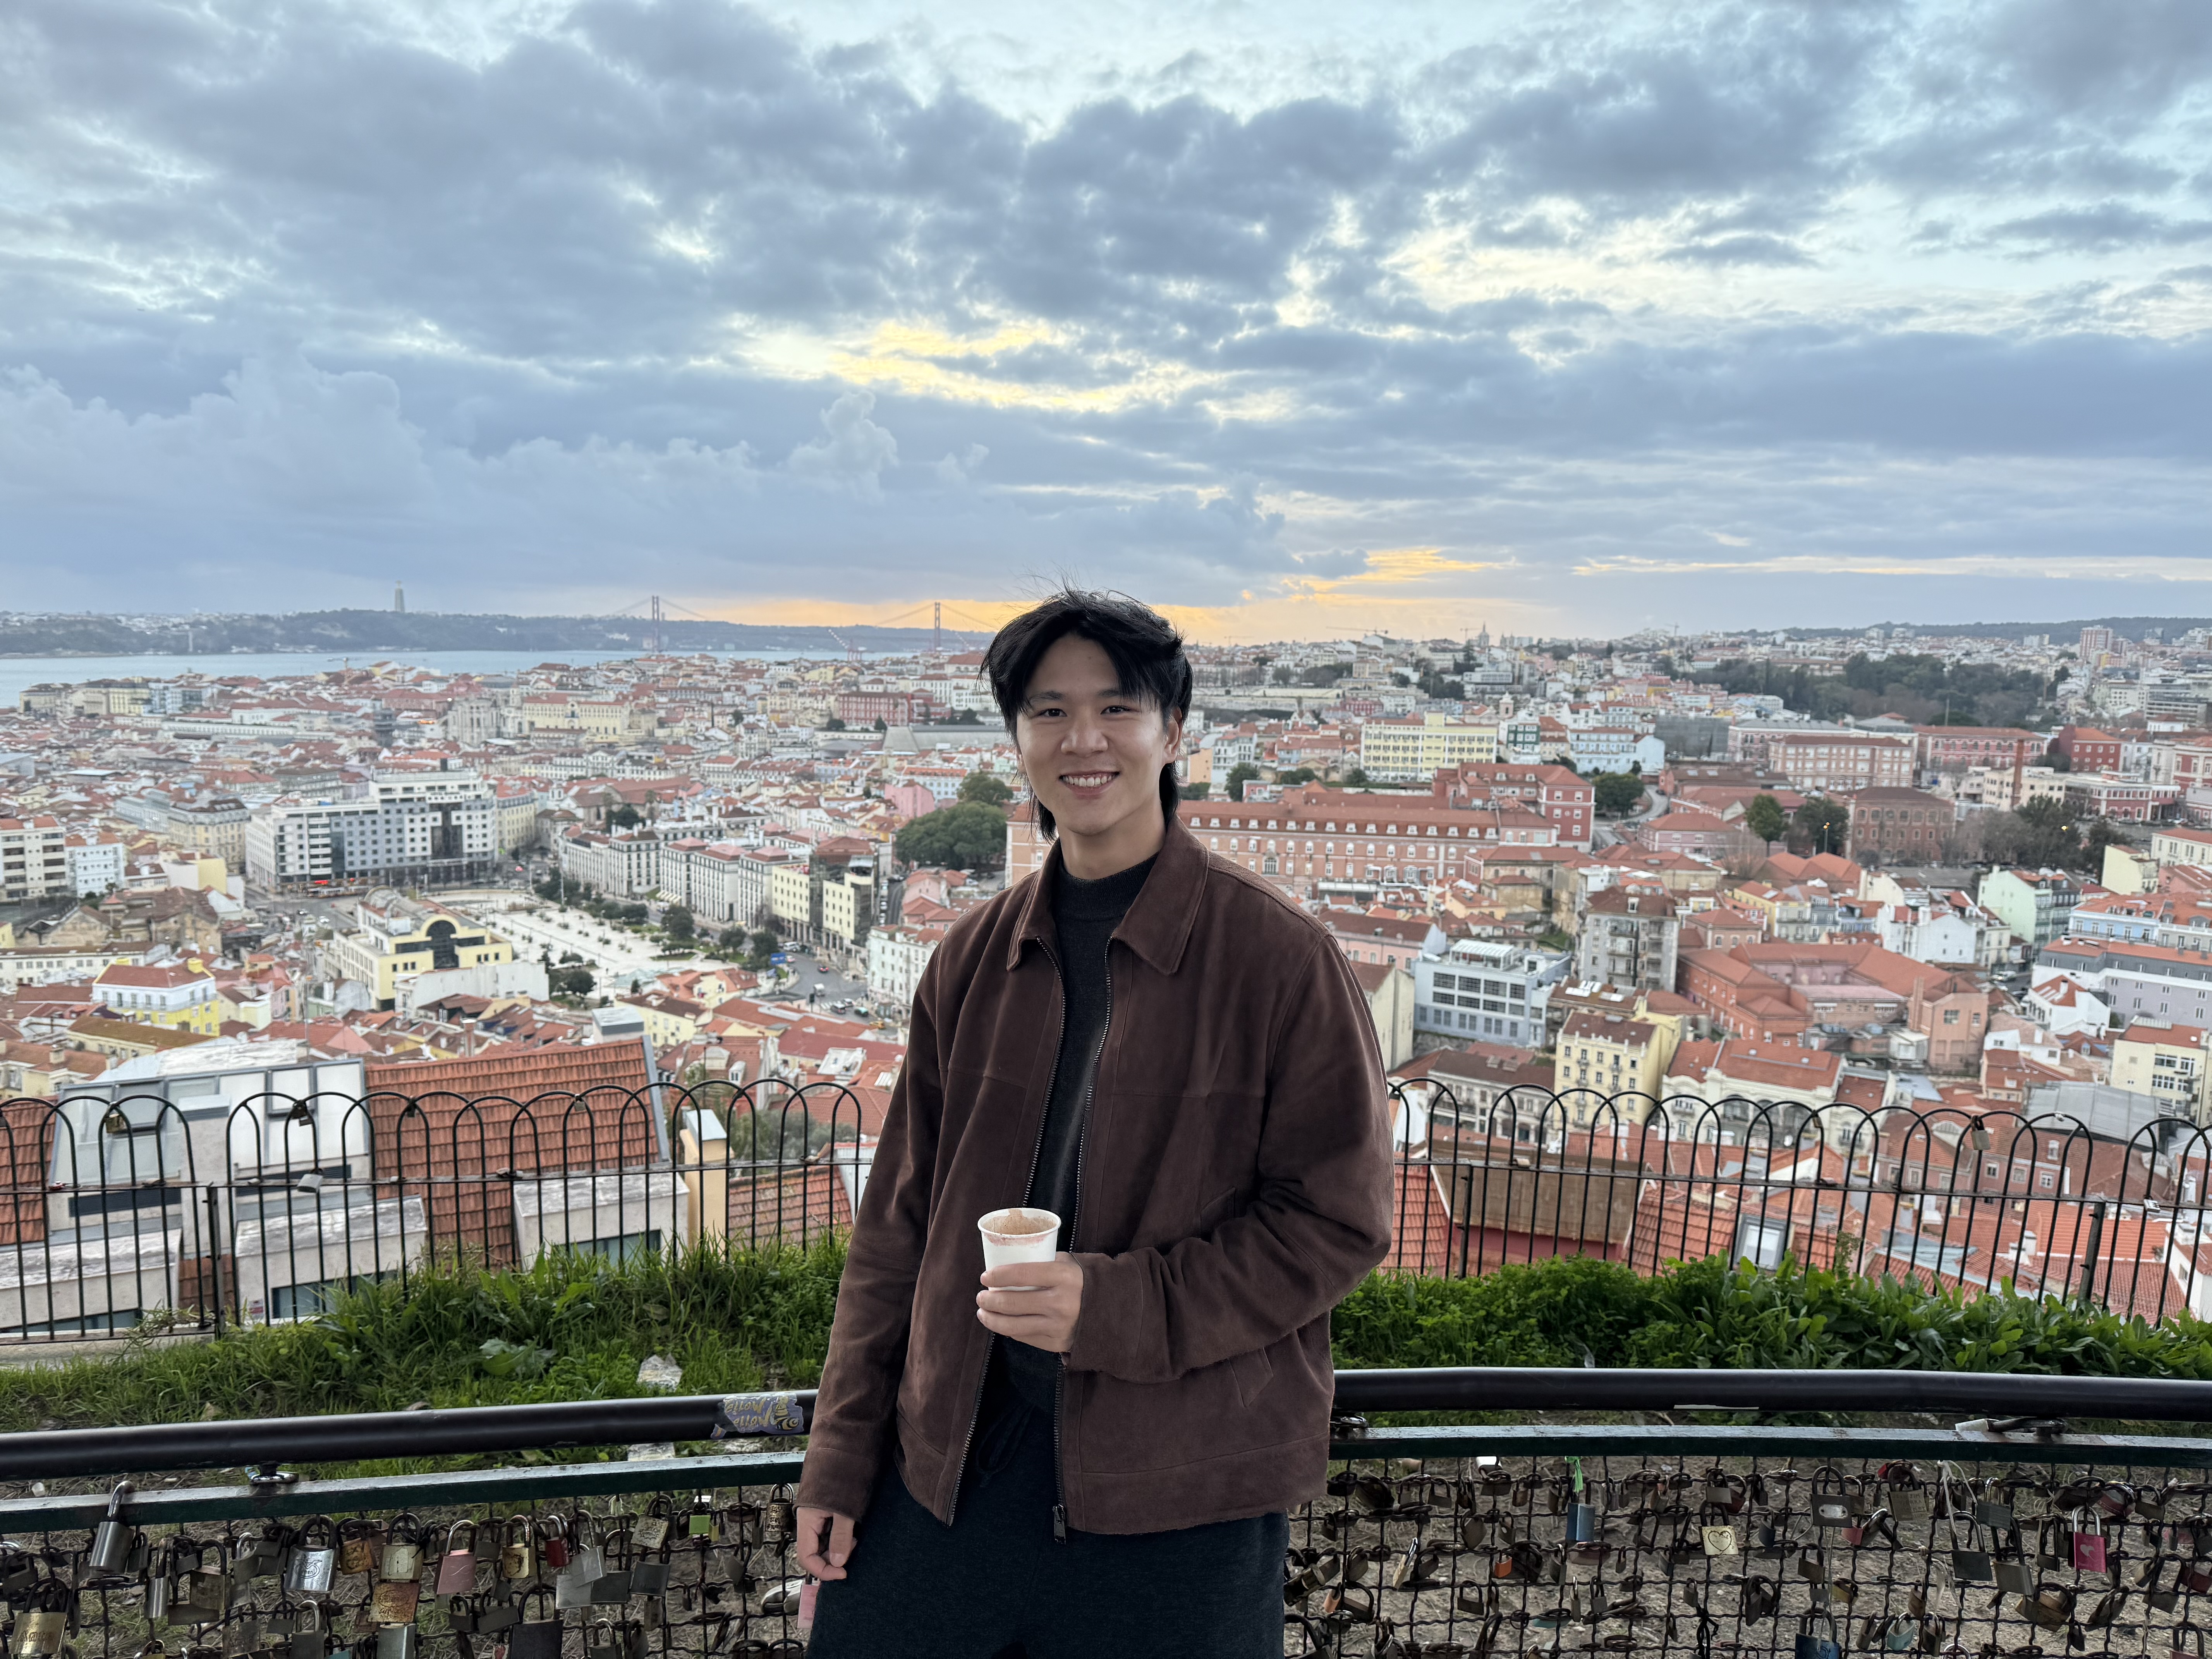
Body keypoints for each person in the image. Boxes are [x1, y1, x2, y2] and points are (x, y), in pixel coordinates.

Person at [797, 590, 1393, 1658]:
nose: (1082, 739)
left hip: (1180, 1499)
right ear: (1017, 740)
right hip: (950, 1471)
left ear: (1174, 732)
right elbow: (895, 1233)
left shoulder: (1281, 961)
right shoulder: (970, 960)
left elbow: (1336, 1223)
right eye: (1048, 711)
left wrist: (1111, 1306)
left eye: (1116, 708)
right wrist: (840, 1458)